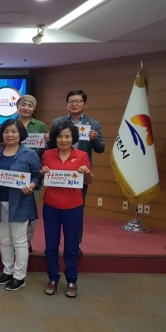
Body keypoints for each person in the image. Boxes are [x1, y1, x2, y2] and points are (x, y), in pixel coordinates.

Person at [41, 121, 92, 298]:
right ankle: (52, 278)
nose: (63, 140)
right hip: (51, 206)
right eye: (60, 136)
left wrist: (86, 172)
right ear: (55, 138)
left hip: (73, 206)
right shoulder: (47, 154)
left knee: (71, 245)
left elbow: (89, 181)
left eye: (67, 136)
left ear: (73, 138)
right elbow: (43, 179)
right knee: (51, 245)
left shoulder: (82, 155)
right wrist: (43, 173)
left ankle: (71, 279)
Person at [0, 119, 41, 291]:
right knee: (4, 239)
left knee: (19, 240)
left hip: (20, 202)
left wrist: (31, 185)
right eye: (6, 131)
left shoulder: (29, 153)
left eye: (13, 131)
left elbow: (37, 176)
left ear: (21, 134)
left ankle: (19, 276)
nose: (9, 135)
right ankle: (8, 271)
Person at [51, 90, 104, 256]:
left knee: (77, 208)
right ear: (67, 104)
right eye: (71, 101)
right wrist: (47, 139)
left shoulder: (93, 124)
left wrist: (95, 139)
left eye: (78, 101)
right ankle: (53, 243)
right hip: (59, 170)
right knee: (55, 206)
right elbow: (51, 146)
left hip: (80, 172)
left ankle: (75, 243)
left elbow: (101, 148)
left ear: (85, 104)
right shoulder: (57, 122)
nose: (74, 104)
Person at [16, 95, 47, 253]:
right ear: (17, 107)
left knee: (31, 208)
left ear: (34, 108)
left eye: (30, 105)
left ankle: (27, 241)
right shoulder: (11, 124)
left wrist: (47, 141)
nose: (26, 108)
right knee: (14, 206)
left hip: (33, 171)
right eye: (23, 105)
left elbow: (45, 150)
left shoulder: (40, 126)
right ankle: (15, 239)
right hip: (13, 171)